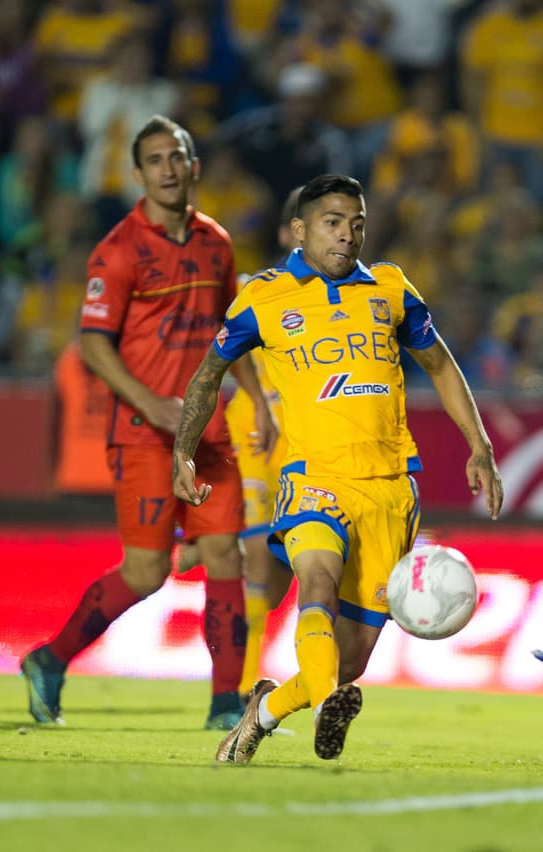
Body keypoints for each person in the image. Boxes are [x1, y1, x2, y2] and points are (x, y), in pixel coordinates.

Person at [172, 173, 503, 763]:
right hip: (313, 478)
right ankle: (327, 704)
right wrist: (184, 451)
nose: (347, 235)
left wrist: (479, 445)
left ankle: (264, 711)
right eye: (333, 223)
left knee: (348, 660)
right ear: (300, 230)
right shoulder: (264, 297)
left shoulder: (391, 288)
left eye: (357, 224)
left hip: (390, 489)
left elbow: (440, 364)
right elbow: (208, 374)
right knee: (317, 583)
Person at [21, 115, 276, 730]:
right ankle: (49, 659)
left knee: (226, 554)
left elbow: (232, 331)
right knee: (147, 571)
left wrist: (258, 400)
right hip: (143, 434)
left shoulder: (216, 242)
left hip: (208, 434)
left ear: (194, 166)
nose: (168, 168)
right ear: (138, 174)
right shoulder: (117, 250)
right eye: (155, 159)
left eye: (177, 156)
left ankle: (225, 704)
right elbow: (93, 344)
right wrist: (150, 402)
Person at [176, 187, 304, 695]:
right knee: (255, 565)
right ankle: (237, 693)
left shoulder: (342, 296)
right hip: (253, 434)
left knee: (275, 583)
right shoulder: (256, 289)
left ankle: (200, 543)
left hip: (304, 441)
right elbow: (221, 352)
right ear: (287, 232)